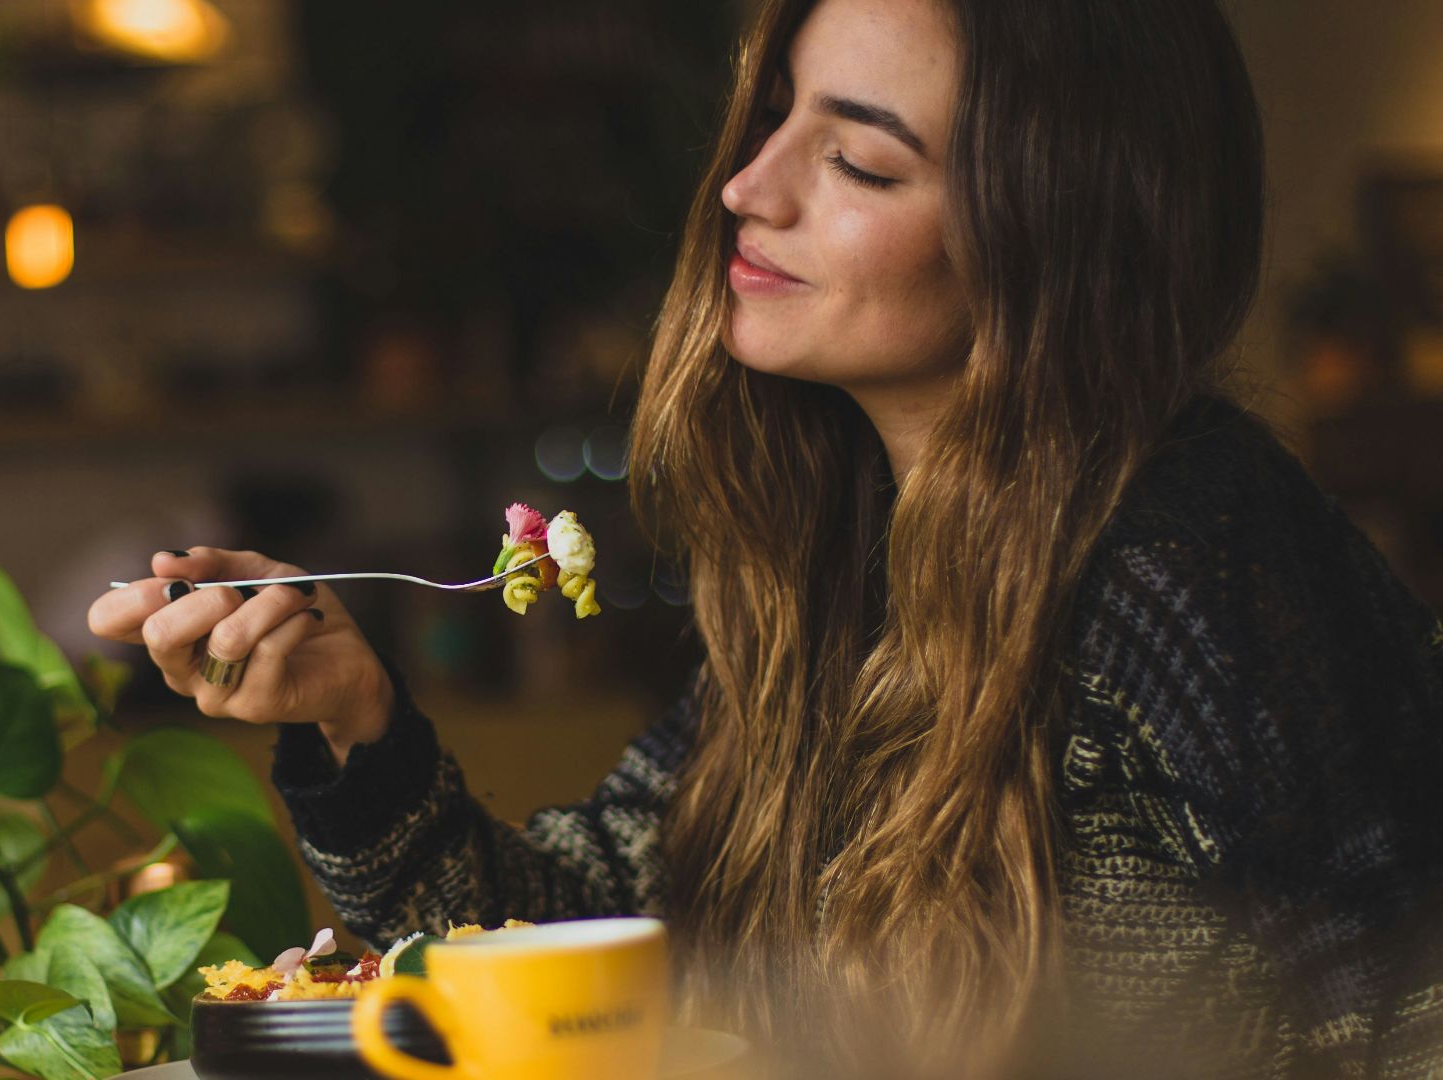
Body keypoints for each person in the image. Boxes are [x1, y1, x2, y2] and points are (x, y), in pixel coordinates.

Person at [89, 0, 1443, 1074]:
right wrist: (354, 719)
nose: (746, 184)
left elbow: (1401, 1007)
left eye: (857, 158)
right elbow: (596, 952)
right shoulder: (849, 564)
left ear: (1057, 235)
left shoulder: (1186, 552)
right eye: (778, 113)